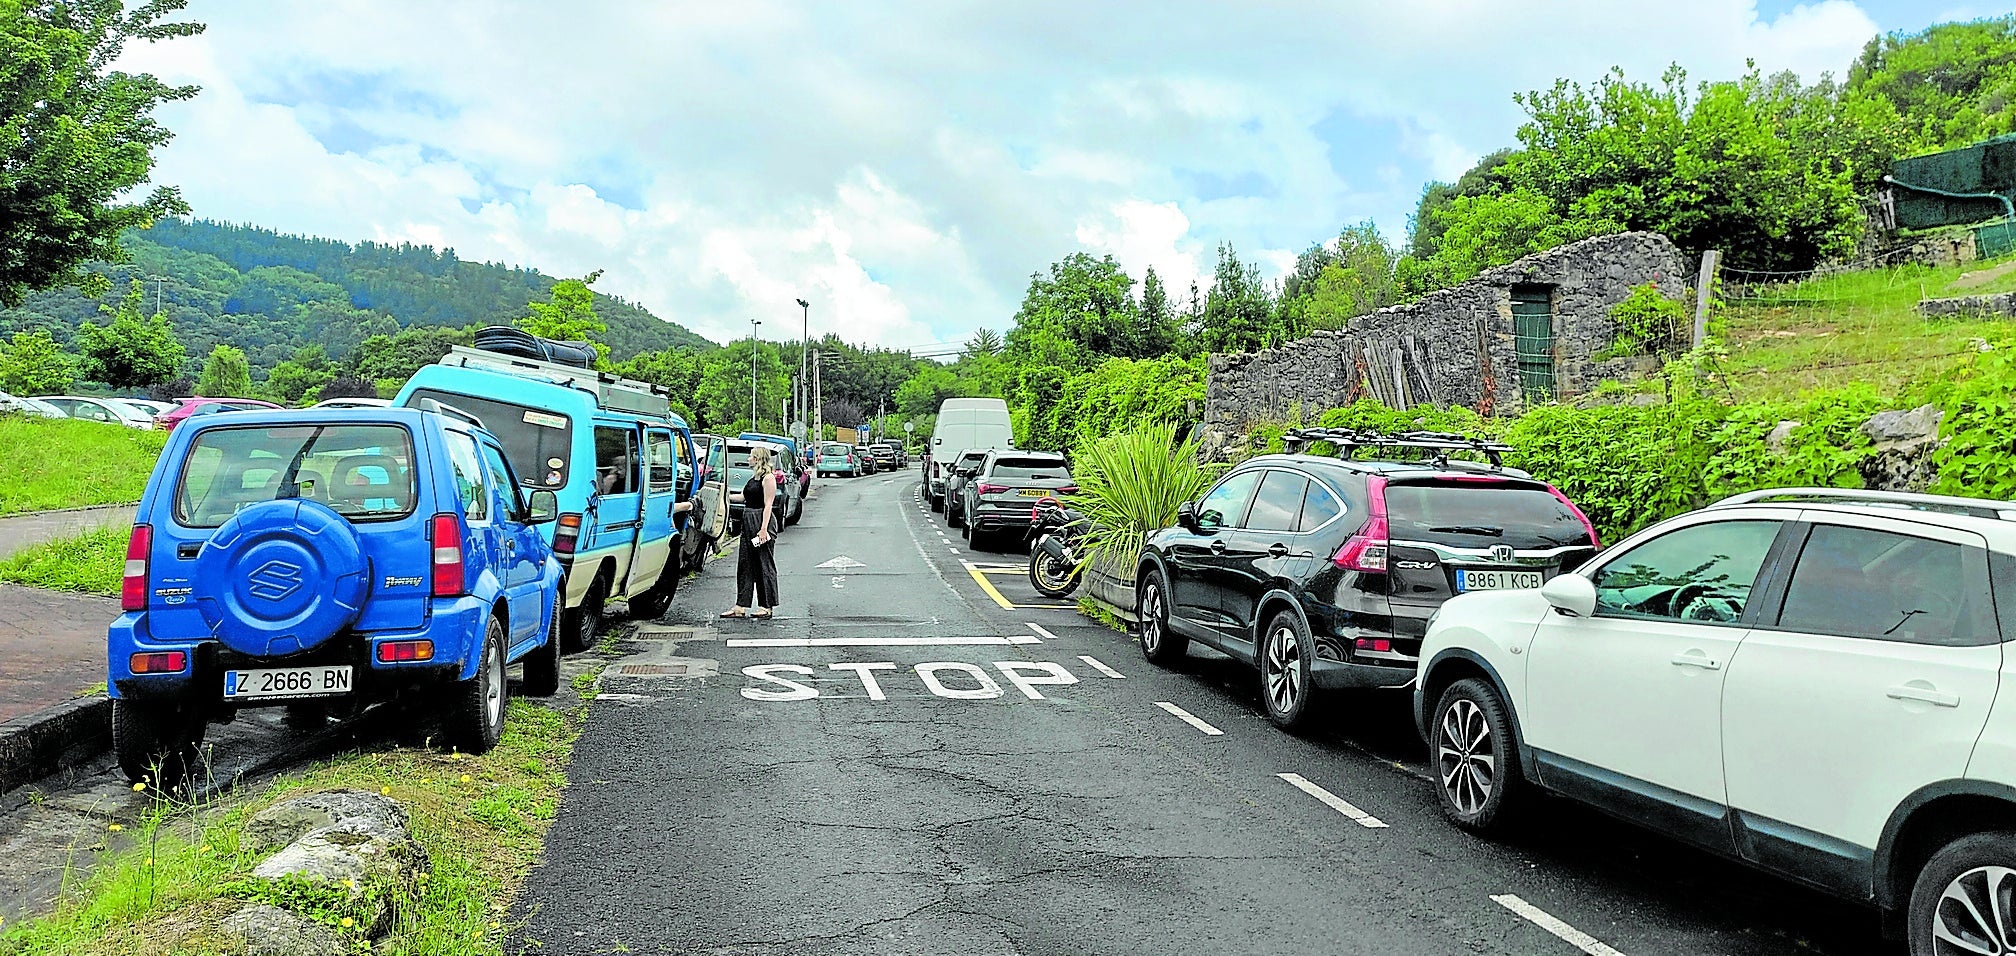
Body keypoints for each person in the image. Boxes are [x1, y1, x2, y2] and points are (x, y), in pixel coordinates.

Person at [722, 445, 780, 619]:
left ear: (757, 459)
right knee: (745, 564)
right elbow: (743, 497)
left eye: (751, 456)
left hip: (761, 520)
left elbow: (768, 504)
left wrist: (763, 529)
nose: (748, 459)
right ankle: (740, 605)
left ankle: (766, 605)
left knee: (764, 563)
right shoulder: (754, 477)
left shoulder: (768, 478)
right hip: (748, 520)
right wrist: (724, 496)